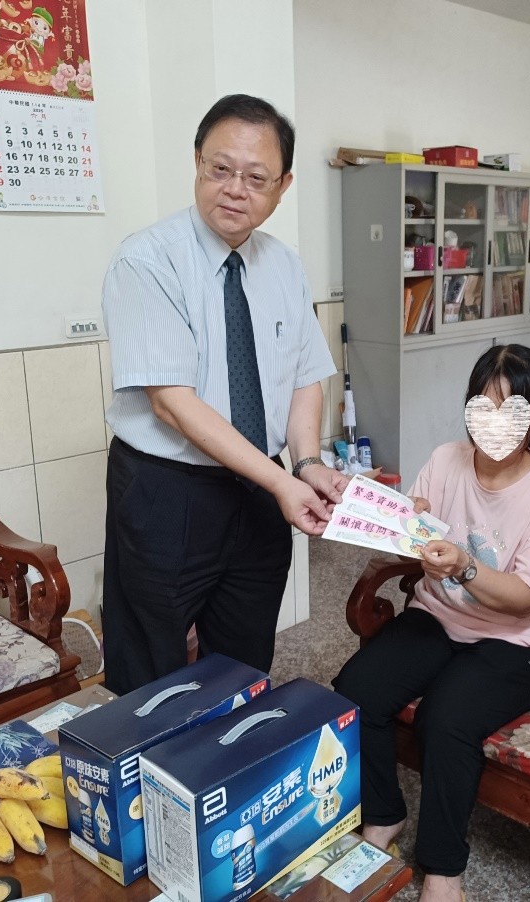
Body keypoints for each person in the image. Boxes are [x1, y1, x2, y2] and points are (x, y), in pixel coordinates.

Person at [101, 94, 345, 696]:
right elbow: (172, 402)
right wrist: (281, 481)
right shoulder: (147, 259)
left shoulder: (284, 266)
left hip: (261, 491)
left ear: (283, 187)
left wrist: (306, 463)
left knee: (244, 658)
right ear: (197, 162)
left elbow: (306, 374)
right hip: (168, 490)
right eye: (220, 169)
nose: (235, 189)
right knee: (150, 666)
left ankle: (228, 755)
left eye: (256, 177)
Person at [333, 344, 530, 902]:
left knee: (446, 718)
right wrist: (390, 514)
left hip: (519, 638)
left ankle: (444, 869)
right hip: (440, 614)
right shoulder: (446, 460)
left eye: (512, 412)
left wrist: (464, 565)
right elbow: (414, 525)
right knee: (357, 689)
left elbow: (524, 598)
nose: (494, 426)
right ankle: (383, 815)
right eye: (482, 408)